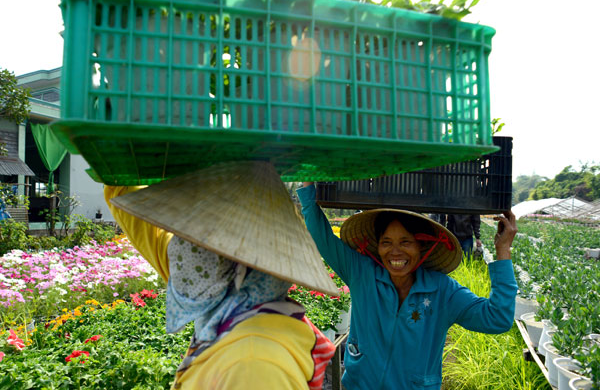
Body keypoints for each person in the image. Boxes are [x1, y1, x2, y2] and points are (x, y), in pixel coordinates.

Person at [104, 161, 339, 390]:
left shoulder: (254, 367)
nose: (178, 249)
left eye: (196, 239)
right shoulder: (221, 290)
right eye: (184, 233)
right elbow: (148, 229)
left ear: (237, 264)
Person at [298, 182, 518, 390]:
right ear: (377, 245)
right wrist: (308, 185)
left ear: (421, 246)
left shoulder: (442, 291)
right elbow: (321, 235)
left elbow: (497, 318)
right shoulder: (361, 273)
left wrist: (503, 251)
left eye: (405, 242)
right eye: (386, 242)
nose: (395, 252)